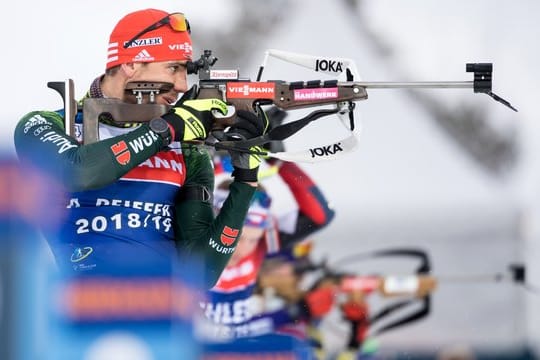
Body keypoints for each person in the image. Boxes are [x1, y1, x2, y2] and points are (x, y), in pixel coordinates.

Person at [13, 8, 267, 287]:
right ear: (131, 65)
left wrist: (245, 181)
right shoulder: (45, 124)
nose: (183, 85)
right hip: (73, 315)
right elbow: (79, 171)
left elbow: (201, 273)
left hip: (157, 317)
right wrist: (167, 129)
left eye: (187, 70)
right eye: (174, 68)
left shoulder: (187, 151)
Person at [197, 152, 335, 344]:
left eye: (253, 240)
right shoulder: (190, 242)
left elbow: (321, 216)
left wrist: (280, 160)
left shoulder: (263, 244)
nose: (244, 248)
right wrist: (217, 164)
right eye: (236, 237)